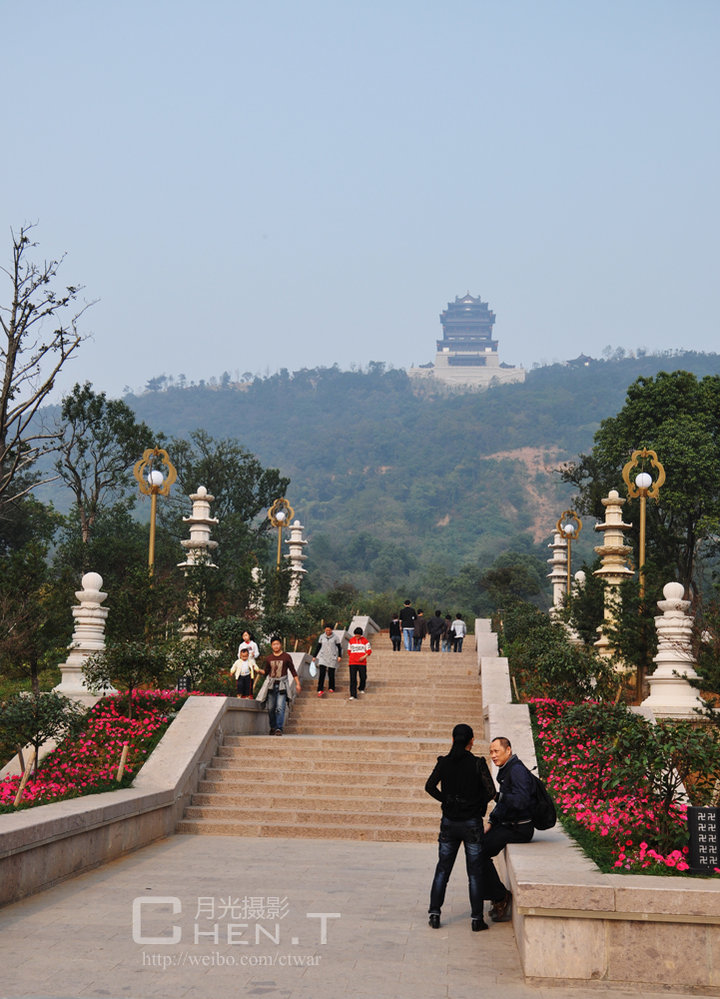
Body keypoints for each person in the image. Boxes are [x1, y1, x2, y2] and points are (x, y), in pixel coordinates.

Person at [426, 723, 495, 932]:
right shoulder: (477, 763)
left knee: (442, 870)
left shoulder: (444, 763)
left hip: (449, 823)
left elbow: (429, 786)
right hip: (471, 824)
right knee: (474, 873)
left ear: (453, 739)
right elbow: (491, 790)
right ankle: (476, 919)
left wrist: (446, 800)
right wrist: (476, 804)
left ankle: (435, 914)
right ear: (471, 741)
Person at [482, 736, 535, 923]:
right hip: (509, 824)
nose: (493, 756)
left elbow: (521, 801)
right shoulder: (508, 769)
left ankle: (500, 897)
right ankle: (495, 894)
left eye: (496, 751)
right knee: (477, 848)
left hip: (520, 828)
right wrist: (491, 821)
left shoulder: (517, 770)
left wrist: (498, 795)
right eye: (491, 752)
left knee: (479, 852)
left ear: (508, 750)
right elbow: (504, 804)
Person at [258, 636, 301, 736]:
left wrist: (298, 683)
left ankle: (279, 728)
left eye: (277, 644)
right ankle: (273, 727)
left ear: (280, 645)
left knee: (280, 707)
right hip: (271, 686)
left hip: (282, 686)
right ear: (271, 646)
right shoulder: (269, 658)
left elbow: (293, 670)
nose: (276, 646)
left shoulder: (286, 656)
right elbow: (266, 672)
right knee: (271, 708)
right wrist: (258, 670)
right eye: (274, 644)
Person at [313, 624, 342, 696]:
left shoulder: (336, 637)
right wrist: (314, 656)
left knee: (331, 673)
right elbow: (318, 646)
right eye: (326, 630)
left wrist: (339, 656)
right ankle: (320, 688)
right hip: (323, 657)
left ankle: (331, 687)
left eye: (329, 630)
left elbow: (339, 647)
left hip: (332, 656)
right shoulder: (322, 636)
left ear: (332, 630)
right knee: (322, 673)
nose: (327, 631)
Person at [347, 626, 372, 699]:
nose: (357, 636)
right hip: (352, 662)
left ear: (361, 635)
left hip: (362, 662)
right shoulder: (351, 641)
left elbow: (369, 651)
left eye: (358, 635)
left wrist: (363, 657)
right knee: (353, 679)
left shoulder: (365, 641)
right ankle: (353, 694)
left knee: (363, 676)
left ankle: (361, 688)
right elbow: (349, 651)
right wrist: (353, 657)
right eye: (356, 635)